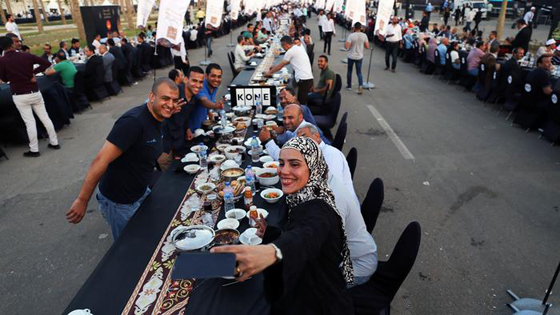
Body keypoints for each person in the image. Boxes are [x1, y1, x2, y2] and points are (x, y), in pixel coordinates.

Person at [211, 137, 355, 314]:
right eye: (281, 163)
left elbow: (307, 235)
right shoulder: (304, 195)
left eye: (294, 164)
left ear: (313, 167)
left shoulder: (321, 210)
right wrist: (270, 233)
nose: (283, 171)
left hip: (319, 302)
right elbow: (297, 231)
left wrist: (274, 250)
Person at [67, 78, 185, 239]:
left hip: (140, 192)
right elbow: (100, 160)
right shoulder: (133, 123)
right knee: (128, 248)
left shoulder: (159, 117)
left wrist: (169, 109)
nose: (170, 104)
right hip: (119, 202)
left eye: (174, 100)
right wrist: (82, 200)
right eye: (165, 98)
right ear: (152, 97)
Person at [0, 36, 59, 157]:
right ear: (12, 44)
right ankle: (54, 142)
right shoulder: (25, 55)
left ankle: (34, 149)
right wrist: (34, 72)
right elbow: (47, 63)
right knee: (45, 118)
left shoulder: (2, 60)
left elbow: (4, 78)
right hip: (34, 91)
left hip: (19, 94)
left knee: (29, 123)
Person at [158, 67, 204, 171]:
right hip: (164, 142)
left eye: (201, 82)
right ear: (186, 79)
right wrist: (168, 112)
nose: (198, 85)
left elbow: (186, 115)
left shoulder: (193, 97)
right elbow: (154, 112)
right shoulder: (173, 93)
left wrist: (187, 128)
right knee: (168, 173)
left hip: (179, 140)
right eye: (194, 81)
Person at [265, 36, 314, 105]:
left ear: (286, 44)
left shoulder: (290, 51)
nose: (283, 48)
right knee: (289, 88)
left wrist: (269, 73)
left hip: (303, 79)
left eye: (282, 46)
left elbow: (280, 66)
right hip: (307, 77)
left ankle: (299, 113)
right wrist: (274, 67)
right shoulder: (298, 47)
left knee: (301, 103)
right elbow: (288, 61)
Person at [188, 63, 224, 132]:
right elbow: (203, 100)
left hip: (203, 127)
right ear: (206, 76)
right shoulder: (200, 85)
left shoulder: (214, 86)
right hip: (192, 131)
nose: (216, 79)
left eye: (219, 77)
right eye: (213, 76)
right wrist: (216, 105)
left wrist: (209, 112)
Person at [345, 22, 370, 94]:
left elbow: (347, 46)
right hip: (359, 56)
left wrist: (348, 45)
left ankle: (349, 86)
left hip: (351, 55)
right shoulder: (364, 35)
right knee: (359, 72)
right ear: (361, 28)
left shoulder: (351, 35)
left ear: (354, 28)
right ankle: (360, 86)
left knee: (349, 71)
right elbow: (367, 46)